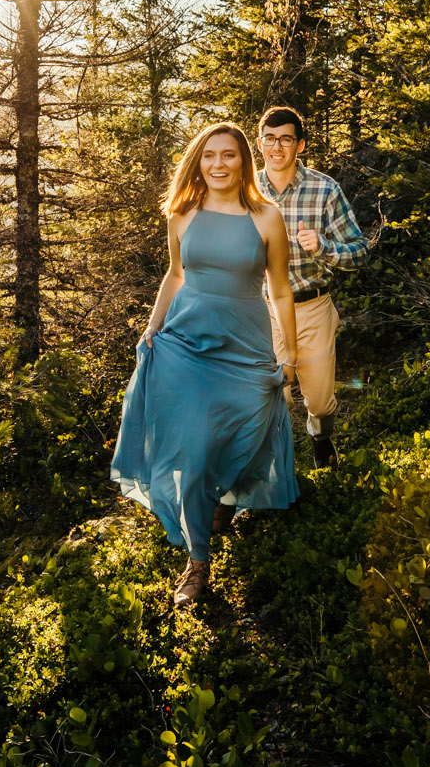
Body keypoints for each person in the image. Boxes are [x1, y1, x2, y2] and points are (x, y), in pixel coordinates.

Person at [111, 122, 301, 606]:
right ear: (198, 162)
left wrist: (290, 352)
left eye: (229, 155)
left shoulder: (266, 217)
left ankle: (221, 498)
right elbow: (176, 275)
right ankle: (198, 564)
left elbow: (279, 288)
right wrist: (153, 328)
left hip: (246, 346)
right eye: (209, 155)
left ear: (244, 162)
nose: (218, 164)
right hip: (187, 345)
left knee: (244, 432)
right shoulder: (182, 216)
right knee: (193, 449)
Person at [255, 105, 370, 468]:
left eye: (286, 139)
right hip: (263, 312)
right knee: (274, 394)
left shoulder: (325, 190)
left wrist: (324, 247)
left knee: (319, 399)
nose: (277, 147)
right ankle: (275, 465)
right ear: (260, 145)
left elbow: (360, 251)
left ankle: (321, 439)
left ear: (300, 145)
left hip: (313, 306)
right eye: (270, 139)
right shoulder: (245, 190)